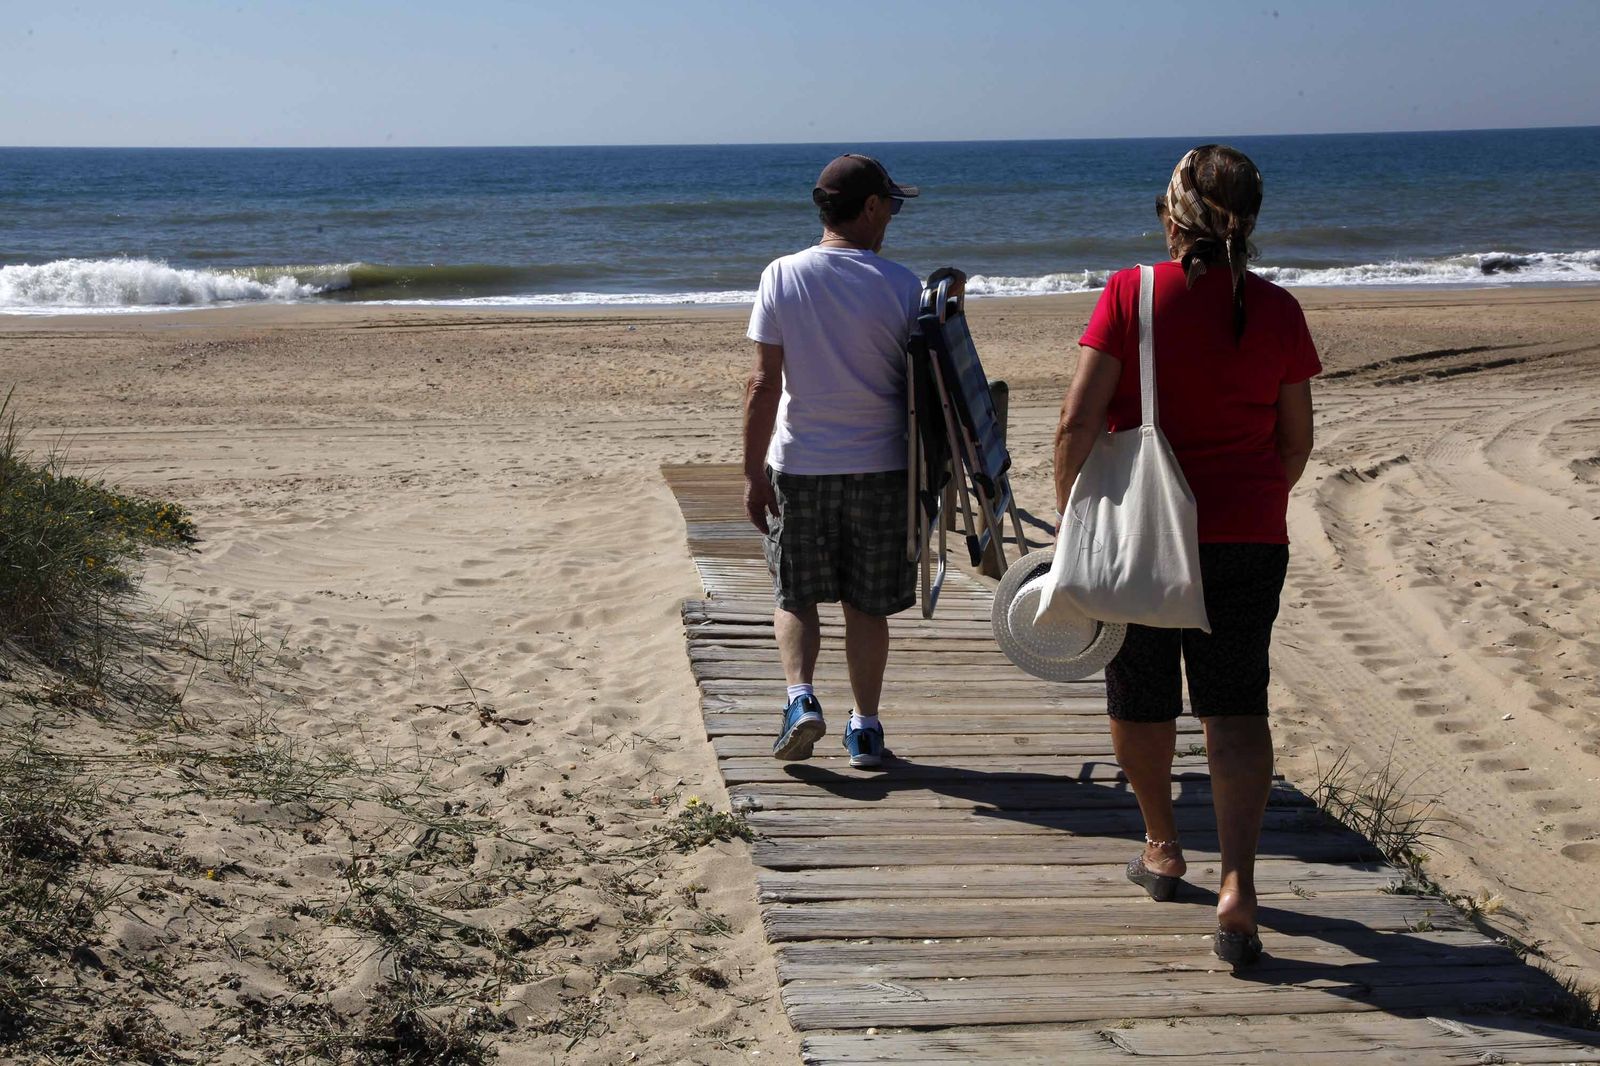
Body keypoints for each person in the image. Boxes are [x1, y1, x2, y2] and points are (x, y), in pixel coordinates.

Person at [1051, 145, 1320, 965]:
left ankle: (1163, 847)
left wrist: (1072, 521)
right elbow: (1295, 442)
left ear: (1170, 217)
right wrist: (1250, 500)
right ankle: (1238, 885)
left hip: (1141, 537)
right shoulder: (1277, 309)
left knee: (1140, 695)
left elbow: (1077, 422)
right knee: (1235, 708)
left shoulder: (1130, 293)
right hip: (1248, 537)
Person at [742, 154, 948, 770]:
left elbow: (763, 383)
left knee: (795, 595)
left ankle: (801, 699)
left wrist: (751, 474)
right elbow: (924, 391)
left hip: (800, 464)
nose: (893, 217)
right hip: (882, 467)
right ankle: (864, 728)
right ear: (870, 207)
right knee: (867, 605)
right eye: (892, 205)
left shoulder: (781, 275)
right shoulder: (902, 286)